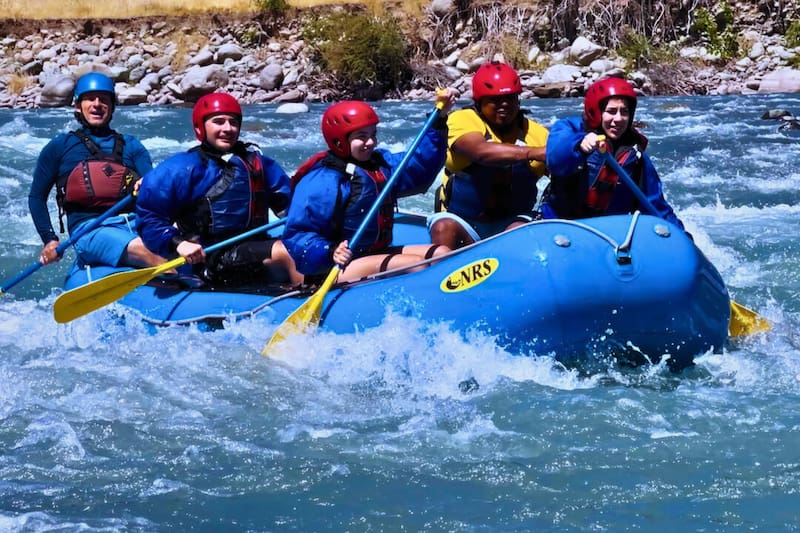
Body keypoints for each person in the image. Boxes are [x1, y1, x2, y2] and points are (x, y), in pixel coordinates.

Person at [282, 91, 456, 283]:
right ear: (339, 140)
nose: (371, 142)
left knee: (442, 253)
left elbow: (419, 165)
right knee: (415, 265)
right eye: (361, 137)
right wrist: (329, 251)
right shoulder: (323, 181)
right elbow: (297, 234)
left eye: (373, 134)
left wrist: (438, 120)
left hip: (374, 254)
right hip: (336, 265)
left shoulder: (380, 165)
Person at [136, 92, 302, 286]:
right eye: (218, 122)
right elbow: (149, 218)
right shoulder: (181, 168)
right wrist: (178, 243)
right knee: (288, 252)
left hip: (252, 248)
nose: (228, 128)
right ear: (201, 126)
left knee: (302, 246)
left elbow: (293, 209)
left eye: (233, 122)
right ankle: (312, 302)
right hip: (209, 257)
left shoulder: (259, 165)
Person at [28, 71, 164, 268]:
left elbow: (156, 195)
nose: (97, 104)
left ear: (112, 106)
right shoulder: (60, 146)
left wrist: (150, 187)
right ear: (77, 105)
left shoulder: (132, 145)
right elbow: (37, 197)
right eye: (90, 99)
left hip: (135, 223)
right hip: (89, 230)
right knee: (147, 250)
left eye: (104, 99)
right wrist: (49, 239)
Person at [428, 61, 549, 250]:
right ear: (479, 102)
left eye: (511, 98)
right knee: (443, 228)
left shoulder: (538, 134)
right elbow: (480, 152)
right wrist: (533, 152)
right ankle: (442, 274)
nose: (505, 105)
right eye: (495, 100)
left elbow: (563, 172)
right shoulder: (462, 119)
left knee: (520, 230)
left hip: (514, 222)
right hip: (464, 222)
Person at [540, 77, 686, 230]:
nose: (618, 119)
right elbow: (555, 159)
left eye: (624, 112)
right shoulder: (570, 129)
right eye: (611, 111)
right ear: (596, 112)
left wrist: (682, 237)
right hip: (559, 226)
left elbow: (655, 205)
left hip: (606, 234)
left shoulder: (635, 155)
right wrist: (579, 145)